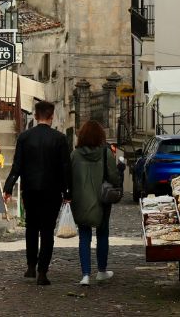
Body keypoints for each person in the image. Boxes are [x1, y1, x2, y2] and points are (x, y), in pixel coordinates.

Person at [3, 100, 70, 286]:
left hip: (30, 189)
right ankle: (43, 271)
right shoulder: (59, 138)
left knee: (31, 228)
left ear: (35, 115)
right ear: (51, 116)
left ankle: (31, 266)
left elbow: (17, 166)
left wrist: (8, 188)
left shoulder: (25, 137)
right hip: (52, 190)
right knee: (47, 230)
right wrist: (67, 191)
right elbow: (65, 168)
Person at [71, 121, 121, 286]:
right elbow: (113, 177)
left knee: (84, 236)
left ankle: (85, 274)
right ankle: (101, 270)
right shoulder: (105, 153)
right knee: (102, 234)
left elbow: (69, 177)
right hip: (101, 200)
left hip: (81, 200)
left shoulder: (75, 155)